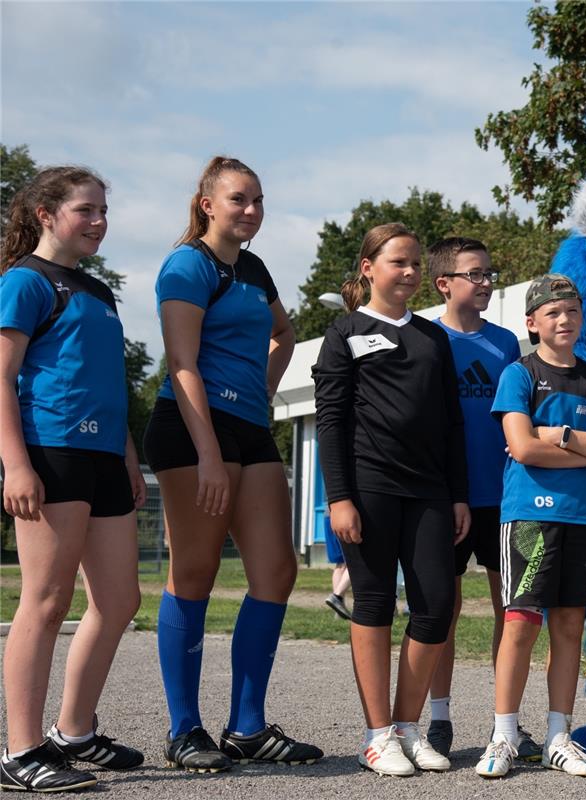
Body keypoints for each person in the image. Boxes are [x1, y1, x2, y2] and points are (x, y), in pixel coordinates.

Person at [143, 156, 321, 772]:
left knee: (276, 572)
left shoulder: (254, 268)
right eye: (239, 200)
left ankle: (247, 727)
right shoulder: (187, 265)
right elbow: (183, 363)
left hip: (248, 426)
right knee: (193, 573)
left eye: (260, 200)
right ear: (207, 205)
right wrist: (209, 456)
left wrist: (261, 396)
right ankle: (184, 730)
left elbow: (285, 335)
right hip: (192, 429)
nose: (252, 211)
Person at [0, 167, 145, 792]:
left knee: (119, 601)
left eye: (103, 210)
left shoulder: (97, 291)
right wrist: (15, 464)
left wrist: (130, 455)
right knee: (47, 599)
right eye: (85, 209)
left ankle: (74, 733)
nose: (99, 221)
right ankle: (21, 750)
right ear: (45, 214)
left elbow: (108, 380)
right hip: (50, 451)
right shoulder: (23, 282)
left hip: (105, 457)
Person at [312, 222, 467, 777]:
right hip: (369, 489)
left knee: (435, 606)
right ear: (368, 268)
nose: (409, 272)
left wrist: (457, 495)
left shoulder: (432, 338)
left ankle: (407, 728)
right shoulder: (344, 333)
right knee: (374, 603)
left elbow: (451, 424)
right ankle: (376, 737)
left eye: (415, 263)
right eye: (397, 262)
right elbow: (330, 423)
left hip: (428, 491)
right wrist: (340, 498)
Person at [475, 274, 586, 779]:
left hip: (584, 518)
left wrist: (561, 435)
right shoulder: (519, 374)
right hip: (529, 515)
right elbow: (521, 447)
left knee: (569, 626)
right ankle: (504, 734)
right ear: (532, 322)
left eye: (572, 311)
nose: (564, 320)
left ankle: (558, 736)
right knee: (521, 624)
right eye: (553, 313)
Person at [424, 237, 526, 760]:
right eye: (475, 274)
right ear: (445, 283)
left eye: (489, 273)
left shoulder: (506, 343)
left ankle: (504, 724)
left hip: (504, 498)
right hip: (444, 499)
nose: (486, 282)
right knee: (442, 610)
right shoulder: (425, 339)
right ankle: (438, 719)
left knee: (511, 610)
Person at [323, 516, 351, 620]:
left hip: (329, 516)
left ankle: (339, 609)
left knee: (340, 564)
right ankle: (337, 596)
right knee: (355, 562)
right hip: (346, 518)